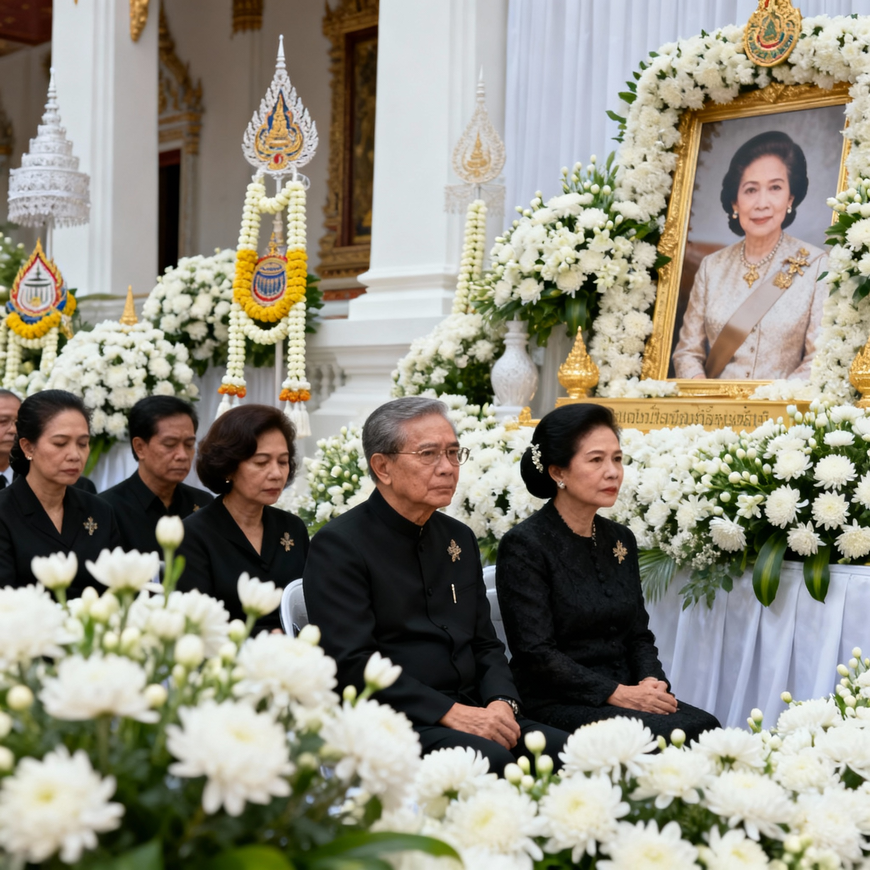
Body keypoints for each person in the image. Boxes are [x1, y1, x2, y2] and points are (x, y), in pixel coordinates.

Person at [304, 397, 569, 774]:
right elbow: (352, 663)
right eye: (428, 454)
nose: (447, 468)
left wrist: (501, 702)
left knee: (574, 755)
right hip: (398, 720)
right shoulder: (340, 545)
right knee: (490, 762)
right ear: (383, 467)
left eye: (453, 453)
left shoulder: (457, 537)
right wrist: (449, 713)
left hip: (476, 709)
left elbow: (484, 642)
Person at [496, 404, 720, 742]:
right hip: (556, 699)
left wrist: (650, 682)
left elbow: (637, 635)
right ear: (558, 472)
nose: (613, 472)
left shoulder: (620, 539)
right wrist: (619, 693)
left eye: (617, 459)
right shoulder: (524, 545)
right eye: (596, 460)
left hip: (627, 692)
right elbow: (536, 654)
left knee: (708, 728)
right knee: (676, 735)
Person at [672, 130, 828, 381]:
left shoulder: (817, 265)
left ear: (790, 198)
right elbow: (687, 353)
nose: (762, 203)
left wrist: (772, 408)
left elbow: (818, 359)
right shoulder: (712, 267)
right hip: (713, 414)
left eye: (775, 188)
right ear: (735, 202)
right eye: (750, 190)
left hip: (783, 414)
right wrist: (704, 398)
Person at [177, 404, 308, 632]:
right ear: (228, 467)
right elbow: (195, 626)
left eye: (283, 461)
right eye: (261, 462)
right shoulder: (194, 534)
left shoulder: (292, 527)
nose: (276, 473)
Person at [0, 390, 120, 593]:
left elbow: (117, 586)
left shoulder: (99, 510)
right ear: (28, 447)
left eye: (82, 443)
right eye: (60, 443)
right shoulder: (4, 511)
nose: (75, 455)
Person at [100, 396, 212, 553]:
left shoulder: (202, 504)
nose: (182, 455)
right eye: (170, 444)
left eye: (189, 445)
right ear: (139, 447)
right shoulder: (106, 509)